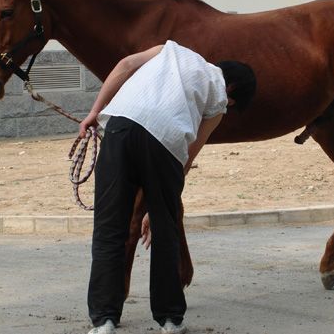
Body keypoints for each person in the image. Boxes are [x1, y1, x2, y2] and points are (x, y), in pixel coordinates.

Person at [78, 40, 257, 334]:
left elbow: (125, 66)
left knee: (109, 228)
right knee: (165, 232)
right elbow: (189, 153)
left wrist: (94, 113)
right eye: (234, 104)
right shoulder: (219, 99)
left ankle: (104, 320)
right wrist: (158, 206)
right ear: (233, 90)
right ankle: (170, 320)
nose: (229, 106)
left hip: (120, 126)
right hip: (166, 144)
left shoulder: (169, 49)